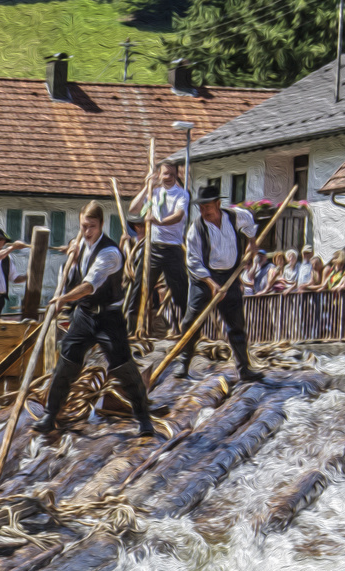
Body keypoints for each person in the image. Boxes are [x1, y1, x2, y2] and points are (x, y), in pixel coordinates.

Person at [30, 201, 156, 437]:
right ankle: (50, 415)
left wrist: (62, 300)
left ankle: (143, 419)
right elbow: (71, 279)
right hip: (85, 315)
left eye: (92, 227)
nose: (87, 232)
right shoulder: (80, 247)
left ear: (101, 225)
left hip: (109, 317)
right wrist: (72, 259)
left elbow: (88, 286)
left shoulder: (110, 252)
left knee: (123, 369)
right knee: (66, 363)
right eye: (83, 226)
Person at [175, 183, 262, 385]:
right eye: (201, 207)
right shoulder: (195, 229)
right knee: (191, 322)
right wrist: (211, 283)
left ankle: (244, 368)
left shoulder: (234, 216)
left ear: (218, 203)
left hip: (230, 276)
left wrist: (252, 243)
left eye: (208, 207)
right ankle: (184, 362)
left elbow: (249, 221)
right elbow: (193, 261)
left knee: (236, 324)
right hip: (204, 279)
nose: (204, 211)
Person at [128, 161, 191, 334]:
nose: (168, 178)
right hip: (153, 248)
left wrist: (158, 221)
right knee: (139, 289)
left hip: (172, 248)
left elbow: (178, 216)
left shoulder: (181, 194)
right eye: (165, 174)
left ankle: (189, 332)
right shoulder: (153, 193)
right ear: (159, 175)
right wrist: (146, 186)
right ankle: (130, 331)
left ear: (176, 175)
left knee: (181, 293)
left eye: (171, 174)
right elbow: (133, 209)